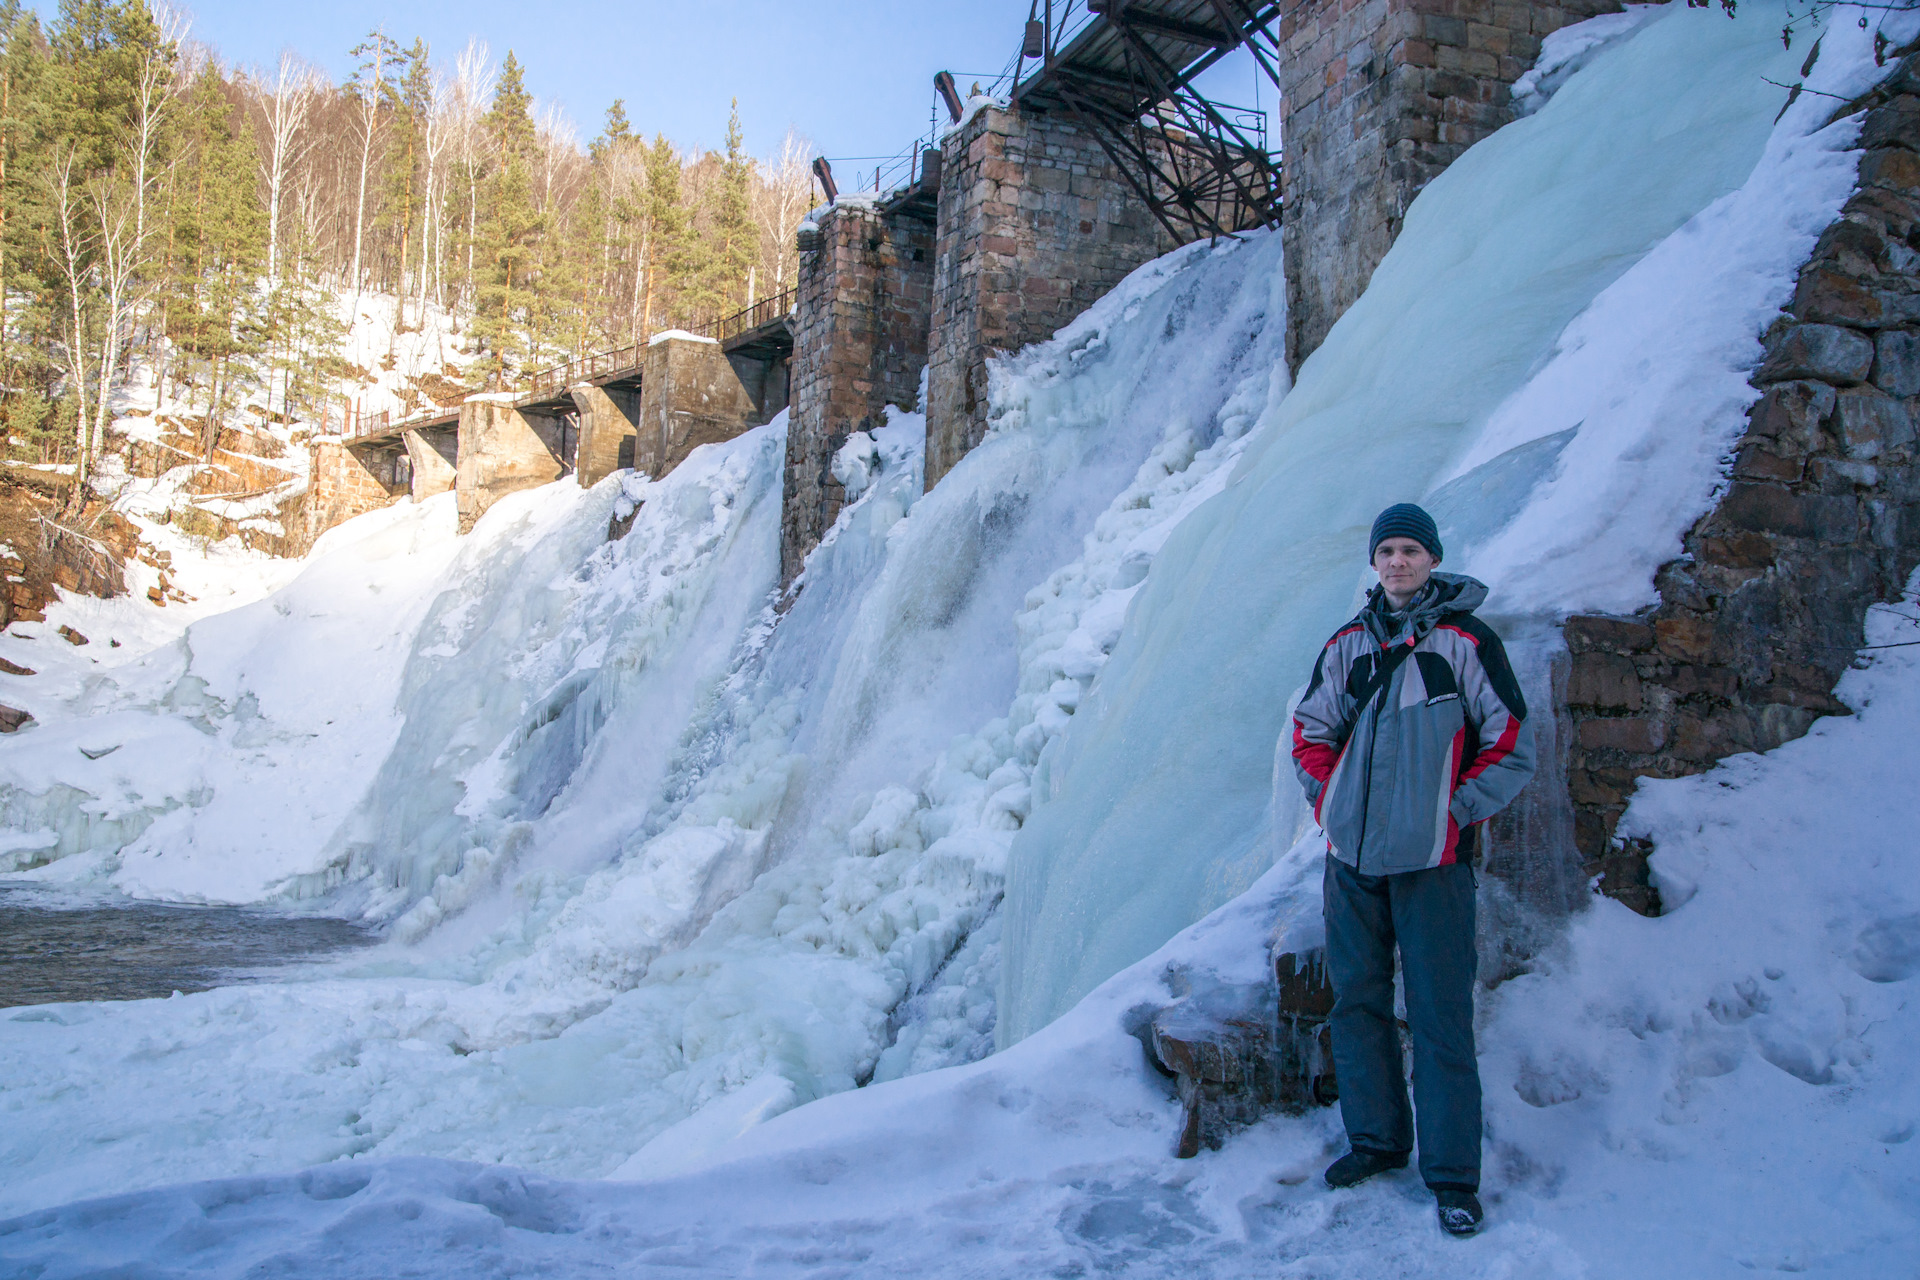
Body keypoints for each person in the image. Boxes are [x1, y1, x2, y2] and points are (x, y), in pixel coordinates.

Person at [1288, 502, 1535, 1237]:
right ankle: (1376, 1141)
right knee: (1356, 1003)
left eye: (1410, 551)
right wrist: (1331, 806)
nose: (1397, 562)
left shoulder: (1464, 643)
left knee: (1438, 1014)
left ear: (1432, 559)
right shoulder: (1345, 647)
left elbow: (1511, 743)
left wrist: (1449, 814)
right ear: (1374, 563)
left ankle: (1454, 1176)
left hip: (1434, 863)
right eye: (1387, 551)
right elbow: (1310, 732)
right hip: (1353, 861)